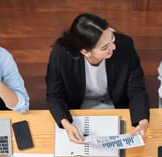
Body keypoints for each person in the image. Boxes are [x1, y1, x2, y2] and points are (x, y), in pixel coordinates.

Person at [46, 13, 150, 144]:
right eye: (105, 47)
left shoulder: (125, 46)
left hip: (115, 105)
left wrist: (143, 121)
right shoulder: (61, 54)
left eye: (112, 38)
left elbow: (137, 89)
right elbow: (54, 95)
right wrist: (66, 124)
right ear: (85, 52)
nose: (113, 47)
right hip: (78, 109)